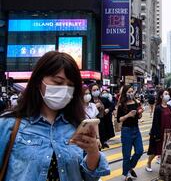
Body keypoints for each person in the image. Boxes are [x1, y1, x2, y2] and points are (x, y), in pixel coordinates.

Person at [0, 51, 110, 180]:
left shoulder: (78, 125)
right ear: (38, 81)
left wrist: (93, 152)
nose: (64, 89)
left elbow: (89, 177)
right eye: (58, 82)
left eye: (70, 85)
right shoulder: (8, 125)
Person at [117, 85, 144, 180]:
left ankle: (129, 168)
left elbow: (138, 117)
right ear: (125, 93)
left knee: (140, 151)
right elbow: (119, 119)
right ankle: (126, 175)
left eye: (132, 91)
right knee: (126, 155)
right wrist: (128, 115)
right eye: (129, 92)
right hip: (126, 131)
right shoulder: (121, 105)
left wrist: (140, 113)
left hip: (136, 130)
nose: (131, 93)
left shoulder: (136, 103)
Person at [146, 89, 171, 172]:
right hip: (160, 132)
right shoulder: (158, 108)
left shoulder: (169, 107)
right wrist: (156, 134)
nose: (168, 95)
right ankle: (148, 163)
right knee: (156, 150)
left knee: (167, 150)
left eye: (168, 94)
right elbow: (155, 122)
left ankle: (165, 166)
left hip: (168, 131)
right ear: (161, 96)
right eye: (166, 94)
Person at [91, 84, 115, 148]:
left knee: (101, 141)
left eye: (97, 89)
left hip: (103, 122)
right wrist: (94, 107)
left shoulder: (103, 99)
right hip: (93, 124)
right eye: (94, 90)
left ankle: (103, 142)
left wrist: (108, 109)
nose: (96, 91)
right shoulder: (89, 101)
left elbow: (112, 105)